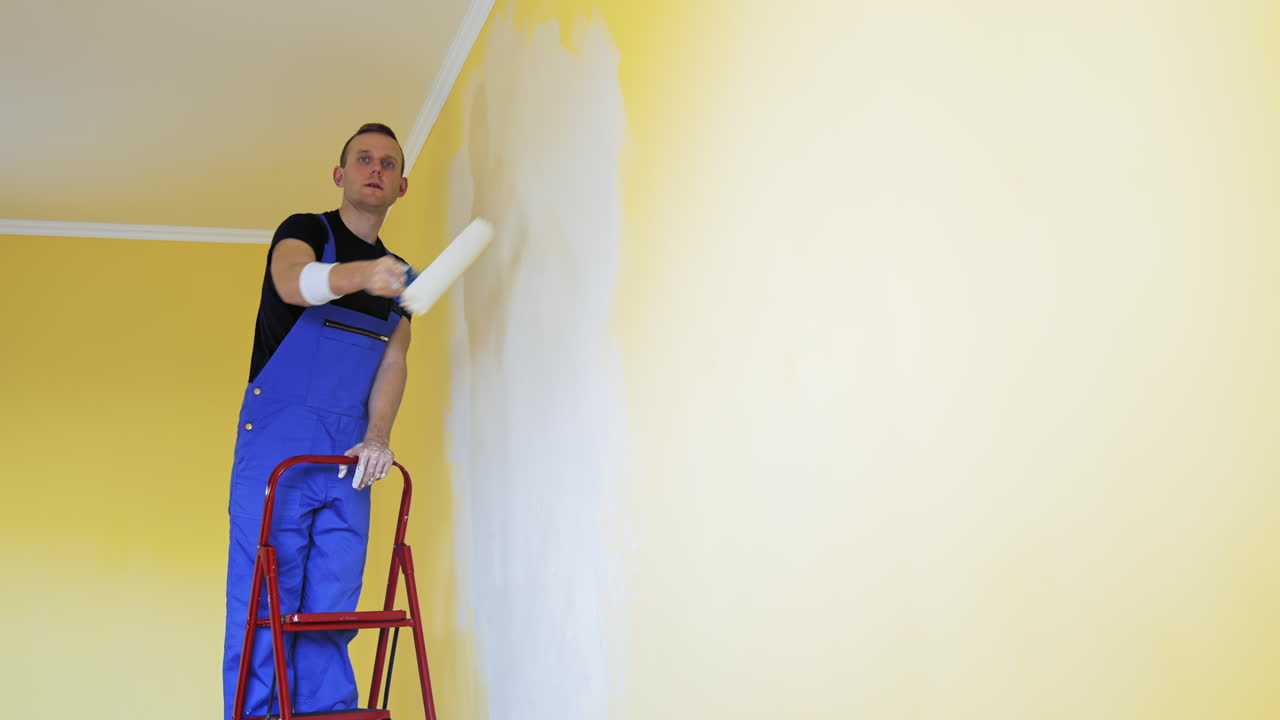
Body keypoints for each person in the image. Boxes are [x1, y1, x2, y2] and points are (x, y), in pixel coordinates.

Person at [222, 123, 414, 719]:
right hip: (280, 443)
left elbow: (394, 359)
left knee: (332, 605)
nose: (374, 167)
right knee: (263, 602)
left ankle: (327, 712)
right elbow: (291, 281)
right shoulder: (306, 231)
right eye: (363, 158)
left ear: (401, 186)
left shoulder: (401, 274)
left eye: (387, 162)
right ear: (341, 175)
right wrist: (364, 275)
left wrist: (378, 437)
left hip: (348, 455)